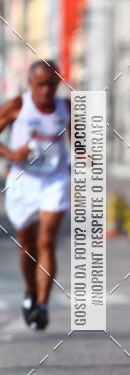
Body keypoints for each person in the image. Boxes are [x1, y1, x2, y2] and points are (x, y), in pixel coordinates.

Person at [0, 60, 71, 330]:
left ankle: (42, 305)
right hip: (23, 182)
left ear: (58, 84)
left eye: (51, 84)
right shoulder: (17, 105)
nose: (46, 90)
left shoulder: (66, 108)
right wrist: (11, 154)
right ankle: (31, 290)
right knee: (29, 246)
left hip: (54, 181)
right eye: (40, 84)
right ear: (31, 83)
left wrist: (83, 158)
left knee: (47, 240)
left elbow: (79, 143)